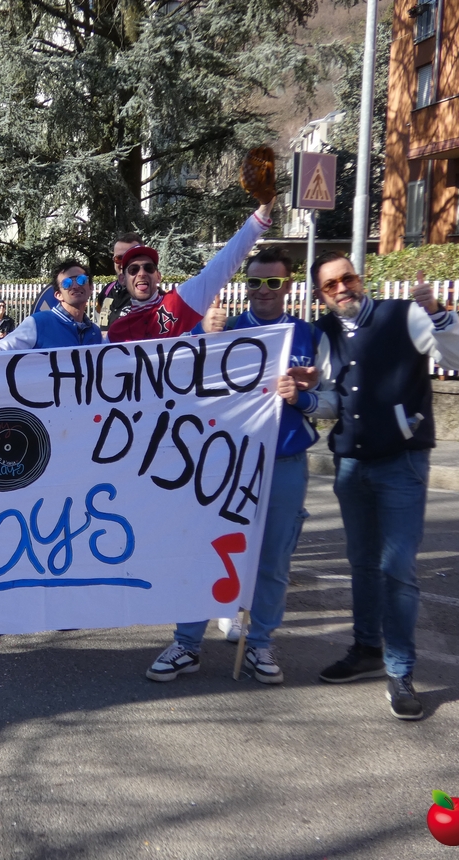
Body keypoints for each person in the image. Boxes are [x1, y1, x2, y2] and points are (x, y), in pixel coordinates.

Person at [306, 253, 459, 721]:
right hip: (350, 463)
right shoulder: (324, 333)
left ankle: (400, 670)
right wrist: (305, 397)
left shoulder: (404, 315)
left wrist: (438, 313)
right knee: (362, 563)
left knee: (398, 567)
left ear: (359, 279)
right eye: (330, 285)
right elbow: (332, 402)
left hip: (401, 462)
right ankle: (366, 649)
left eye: (347, 278)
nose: (342, 288)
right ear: (320, 294)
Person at [146, 247, 321, 686]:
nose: (263, 290)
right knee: (205, 550)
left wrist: (304, 398)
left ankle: (260, 643)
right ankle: (187, 644)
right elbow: (182, 380)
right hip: (227, 463)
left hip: (284, 462)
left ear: (288, 285)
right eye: (255, 282)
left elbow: (334, 399)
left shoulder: (308, 336)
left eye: (273, 282)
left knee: (272, 561)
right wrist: (203, 337)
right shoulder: (224, 330)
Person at [106, 197, 275, 343]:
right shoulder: (116, 333)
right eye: (133, 269)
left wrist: (262, 214)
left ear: (158, 276)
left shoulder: (180, 301)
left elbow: (222, 264)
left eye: (149, 268)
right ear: (122, 279)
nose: (142, 273)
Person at [0, 261, 101, 351]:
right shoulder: (38, 323)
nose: (75, 286)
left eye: (81, 280)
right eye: (67, 283)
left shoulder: (95, 333)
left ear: (91, 288)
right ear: (58, 295)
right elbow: (2, 349)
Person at [94, 232, 142, 326]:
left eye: (130, 257)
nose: (124, 263)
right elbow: (98, 322)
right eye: (119, 258)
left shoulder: (151, 296)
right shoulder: (106, 291)